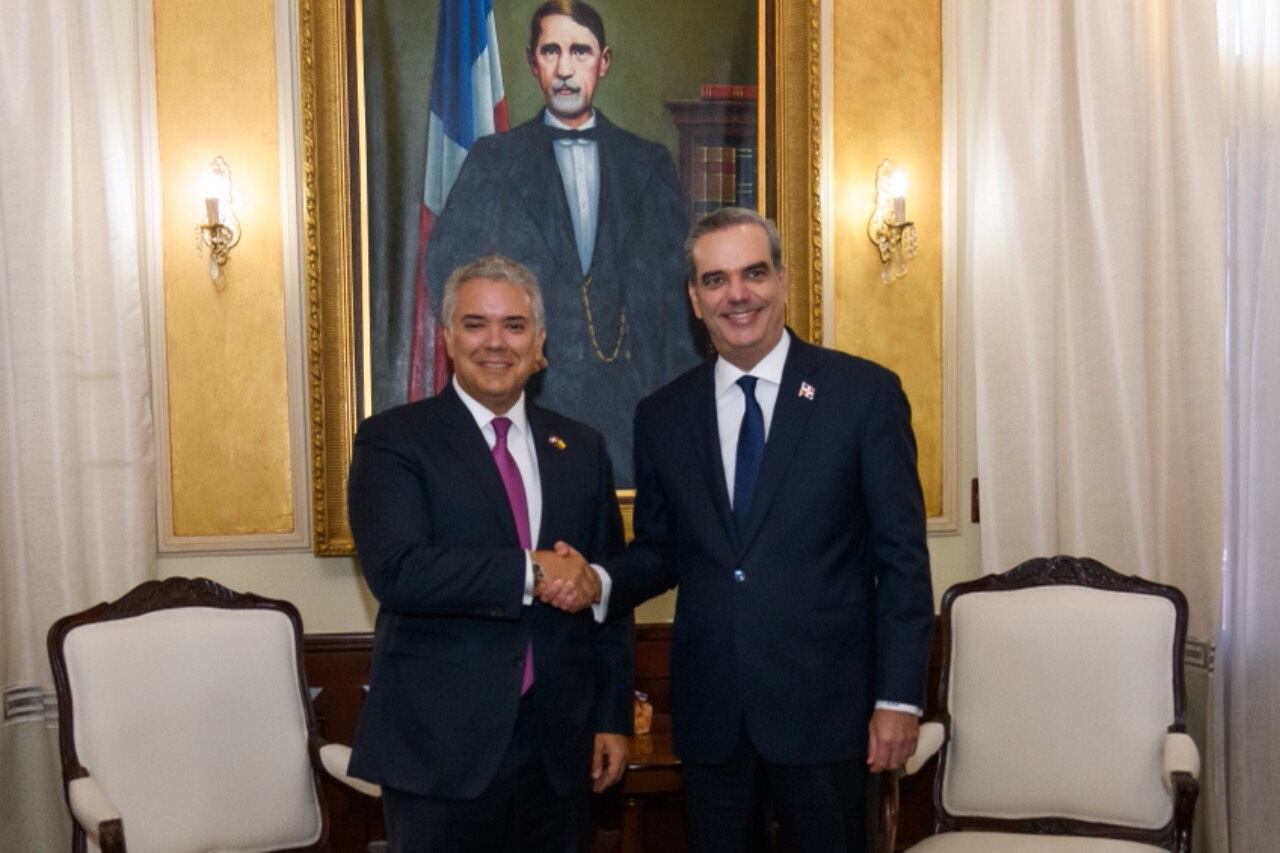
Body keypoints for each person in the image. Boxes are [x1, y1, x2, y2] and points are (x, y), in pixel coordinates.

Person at [556, 207, 934, 851]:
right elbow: (661, 550)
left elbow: (902, 561)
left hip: (830, 716)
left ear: (783, 280)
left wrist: (899, 699)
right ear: (694, 299)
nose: (737, 294)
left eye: (754, 273)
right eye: (716, 280)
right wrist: (595, 579)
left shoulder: (861, 394)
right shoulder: (664, 415)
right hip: (713, 718)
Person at [347, 254, 633, 852]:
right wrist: (532, 568)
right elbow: (398, 571)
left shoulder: (580, 448)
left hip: (558, 749)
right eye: (476, 324)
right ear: (449, 338)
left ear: (540, 342)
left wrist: (611, 716)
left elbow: (606, 590)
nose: (495, 343)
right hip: (438, 751)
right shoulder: (394, 439)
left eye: (515, 325)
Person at [423, 0, 699, 486]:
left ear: (604, 61)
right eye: (552, 51)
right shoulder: (493, 161)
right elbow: (446, 273)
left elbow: (678, 297)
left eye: (580, 51)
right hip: (529, 398)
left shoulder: (648, 162)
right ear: (533, 63)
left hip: (628, 401)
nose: (566, 69)